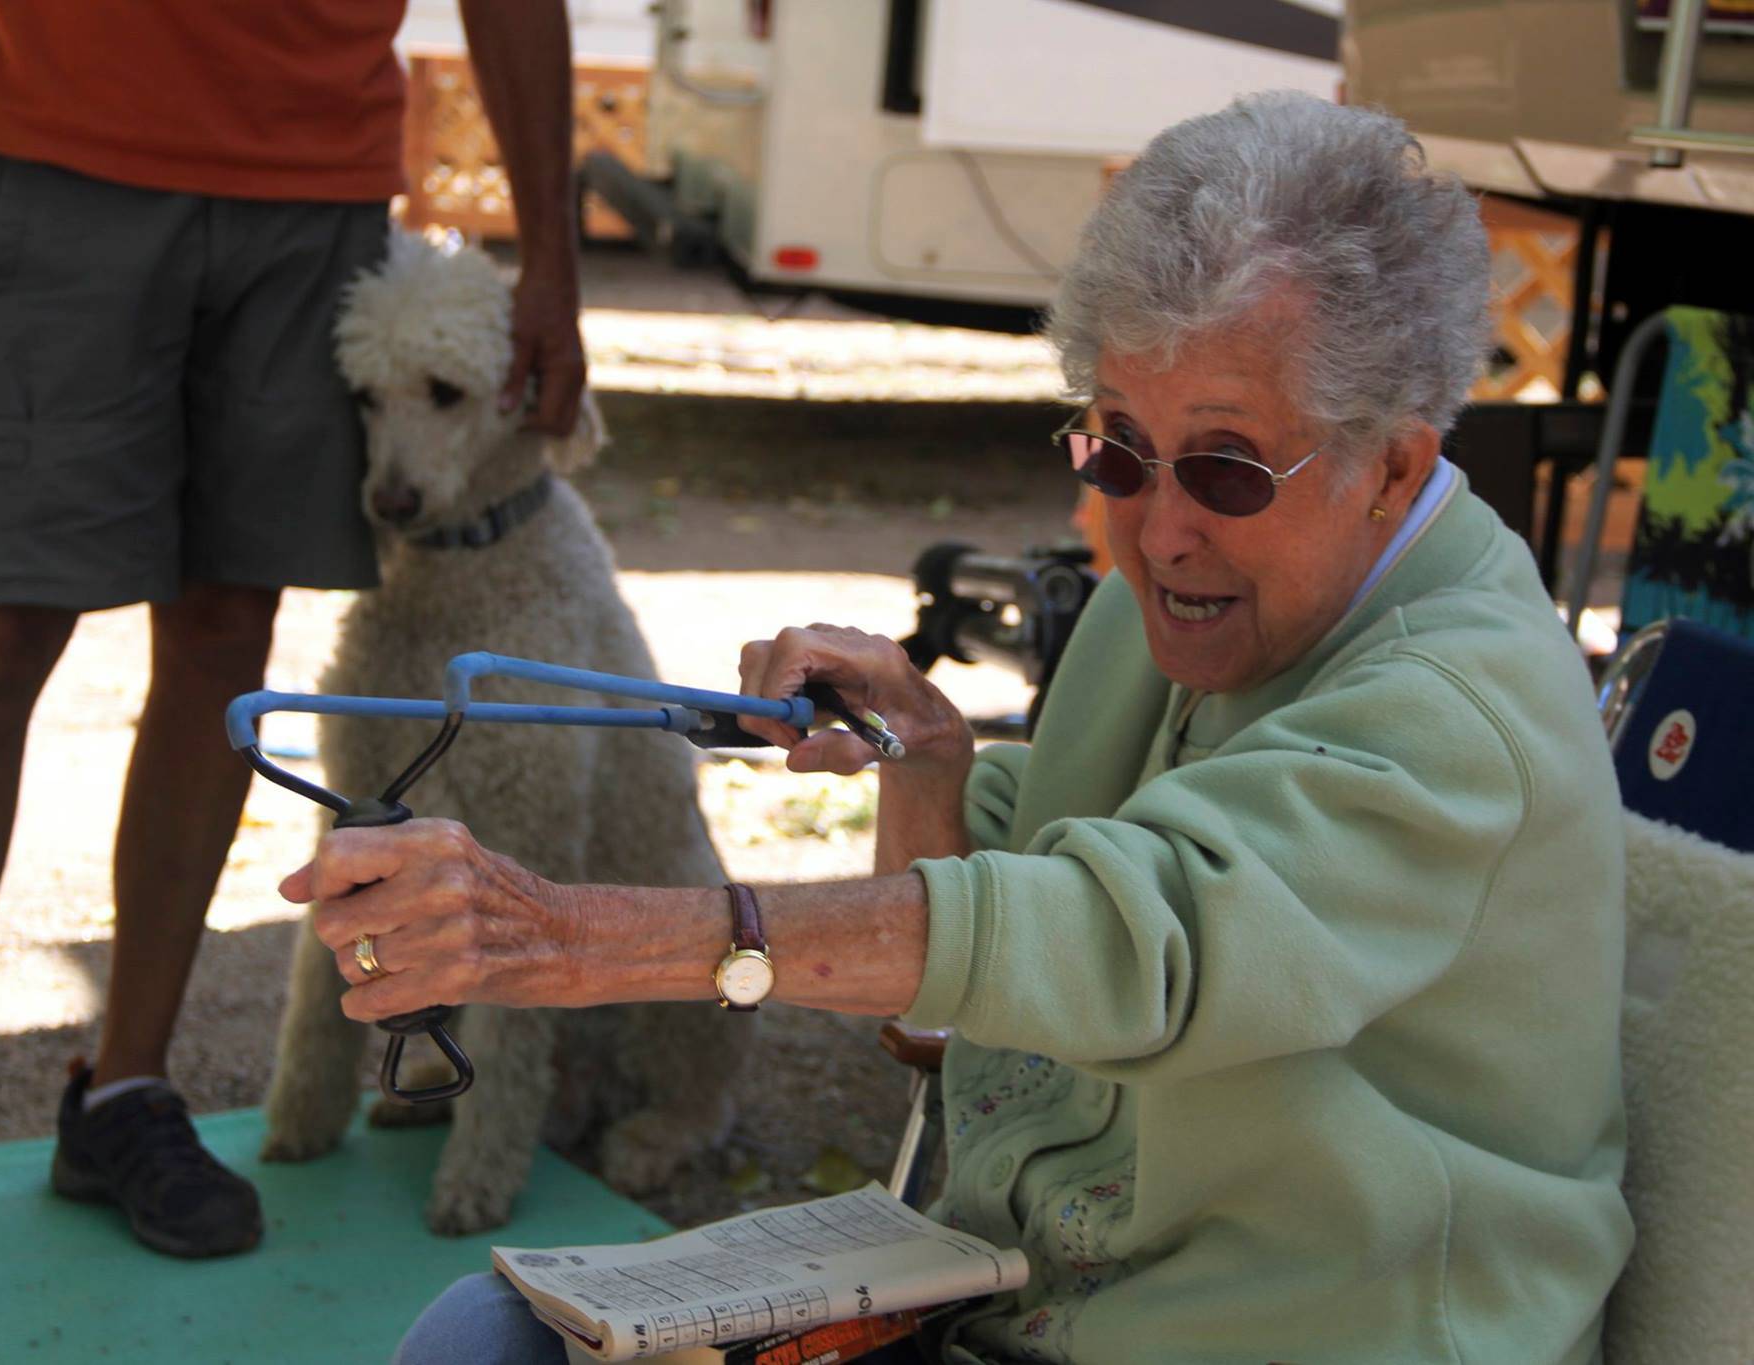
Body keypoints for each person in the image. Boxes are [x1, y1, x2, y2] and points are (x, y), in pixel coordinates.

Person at [287, 93, 1633, 1364]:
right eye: (1116, 448)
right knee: (482, 1337)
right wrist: (927, 762)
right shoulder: (1177, 604)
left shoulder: (1456, 701)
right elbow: (957, 1015)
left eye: (1226, 465)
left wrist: (576, 935)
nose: (1161, 529)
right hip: (1025, 1299)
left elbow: (1127, 939)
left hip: (1318, 1330)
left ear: (1392, 461)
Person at [0, 1, 586, 1293]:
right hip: (60, 142)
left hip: (311, 185)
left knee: (226, 633)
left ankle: (126, 1088)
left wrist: (555, 259)